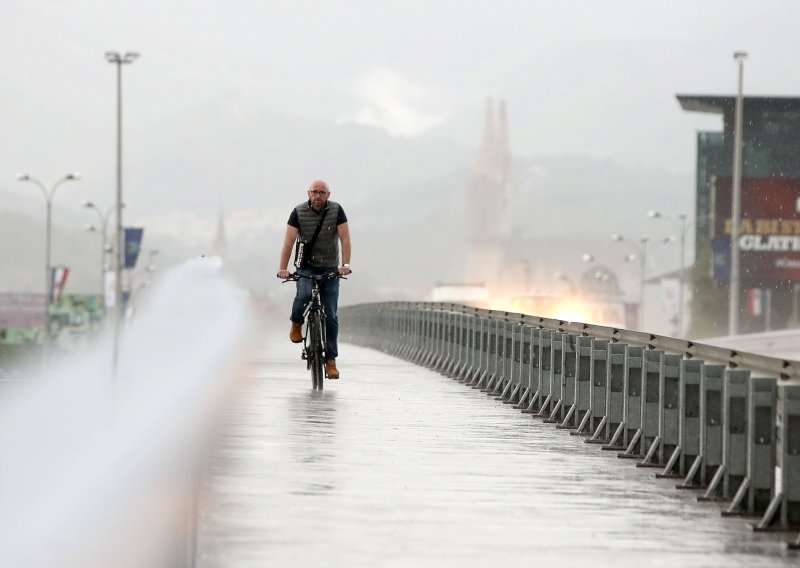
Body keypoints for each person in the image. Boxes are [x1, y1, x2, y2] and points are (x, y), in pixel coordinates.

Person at [277, 180, 352, 379]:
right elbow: (289, 242)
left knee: (331, 315)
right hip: (306, 266)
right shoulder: (298, 212)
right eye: (314, 192)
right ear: (308, 193)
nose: (318, 196)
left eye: (322, 192)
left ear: (328, 194)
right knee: (302, 295)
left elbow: (345, 238)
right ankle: (296, 322)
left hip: (329, 266)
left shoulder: (337, 210)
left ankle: (331, 361)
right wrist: (283, 268)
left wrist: (345, 265)